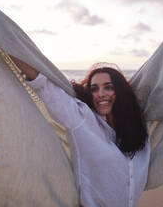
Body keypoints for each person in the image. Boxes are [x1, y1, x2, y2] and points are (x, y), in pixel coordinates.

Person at [9, 55, 150, 207]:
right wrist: (3, 39)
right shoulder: (82, 121)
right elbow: (44, 84)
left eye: (108, 87)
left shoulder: (139, 126)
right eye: (94, 89)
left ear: (121, 91)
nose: (101, 94)